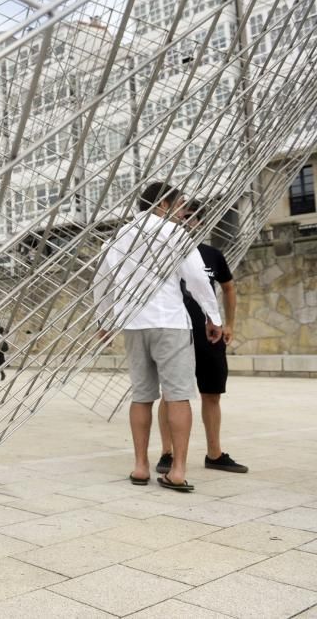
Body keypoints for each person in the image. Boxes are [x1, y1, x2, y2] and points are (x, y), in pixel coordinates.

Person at [93, 182, 223, 492]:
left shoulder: (119, 236)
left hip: (134, 324)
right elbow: (196, 278)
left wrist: (104, 319)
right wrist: (213, 316)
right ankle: (177, 469)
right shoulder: (175, 234)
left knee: (141, 396)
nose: (182, 213)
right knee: (178, 395)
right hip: (169, 322)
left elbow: (102, 280)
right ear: (163, 204)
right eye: (179, 206)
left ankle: (140, 466)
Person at [156, 200, 247, 475]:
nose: (187, 222)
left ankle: (215, 454)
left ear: (201, 222)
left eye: (193, 218)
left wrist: (229, 323)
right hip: (176, 332)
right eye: (183, 216)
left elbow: (228, 288)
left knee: (212, 393)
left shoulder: (211, 255)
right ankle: (167, 453)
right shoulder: (163, 255)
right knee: (170, 394)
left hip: (209, 335)